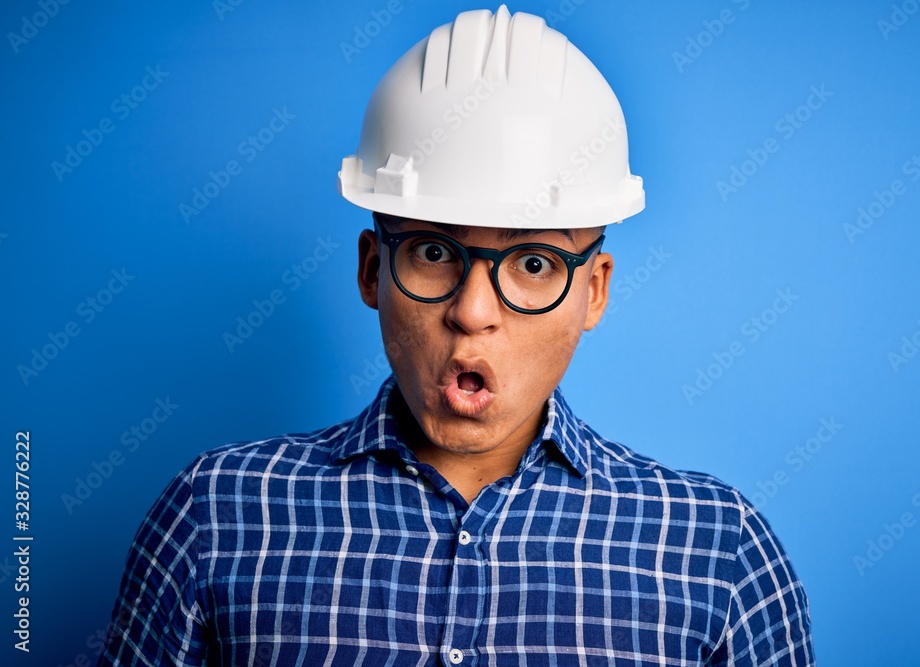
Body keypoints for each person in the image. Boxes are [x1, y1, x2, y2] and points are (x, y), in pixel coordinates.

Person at [100, 5, 814, 665]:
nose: (473, 311)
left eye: (533, 263)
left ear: (593, 291)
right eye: (435, 253)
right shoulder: (214, 514)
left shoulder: (717, 550)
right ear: (373, 269)